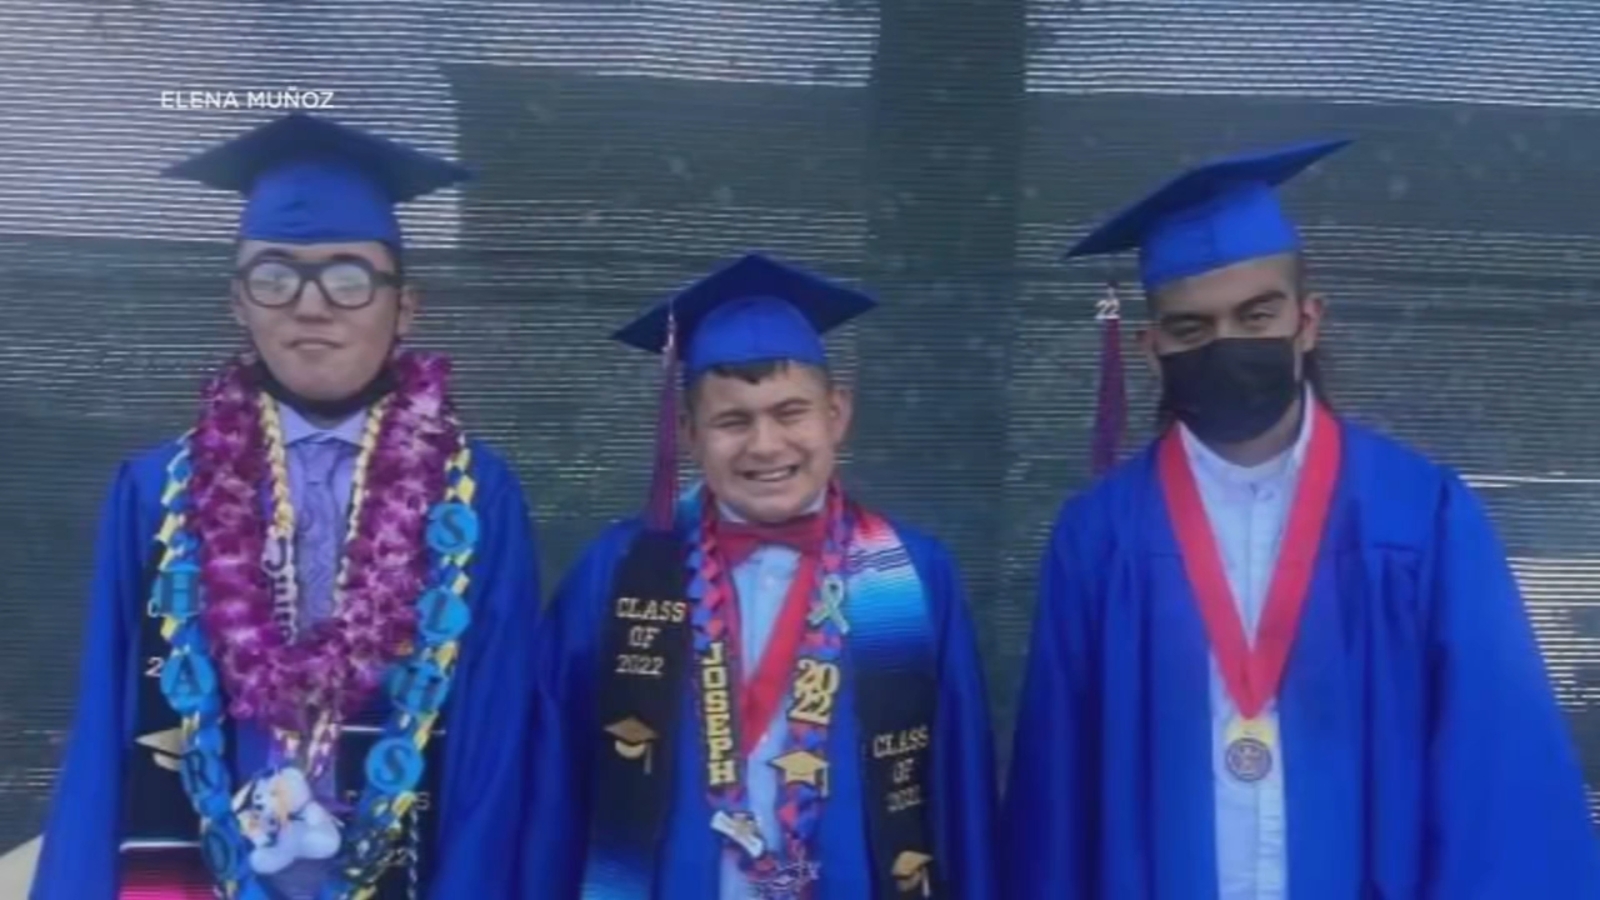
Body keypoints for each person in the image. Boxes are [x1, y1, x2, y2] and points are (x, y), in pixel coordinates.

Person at [1003, 138, 1600, 899]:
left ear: (1307, 320)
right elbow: (1058, 795)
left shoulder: (1420, 516)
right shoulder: (1100, 537)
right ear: (1151, 348)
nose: (1227, 345)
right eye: (1192, 328)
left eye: (1257, 316)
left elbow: (1497, 767)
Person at [32, 112, 542, 899]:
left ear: (405, 306)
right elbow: (107, 725)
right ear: (239, 301)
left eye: (349, 277)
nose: (311, 305)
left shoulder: (473, 498)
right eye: (275, 276)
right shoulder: (158, 492)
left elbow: (495, 746)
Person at [523, 252, 999, 899]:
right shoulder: (618, 572)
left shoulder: (913, 576)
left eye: (790, 412)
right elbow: (555, 784)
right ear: (688, 432)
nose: (766, 445)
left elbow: (958, 788)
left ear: (837, 413)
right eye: (732, 421)